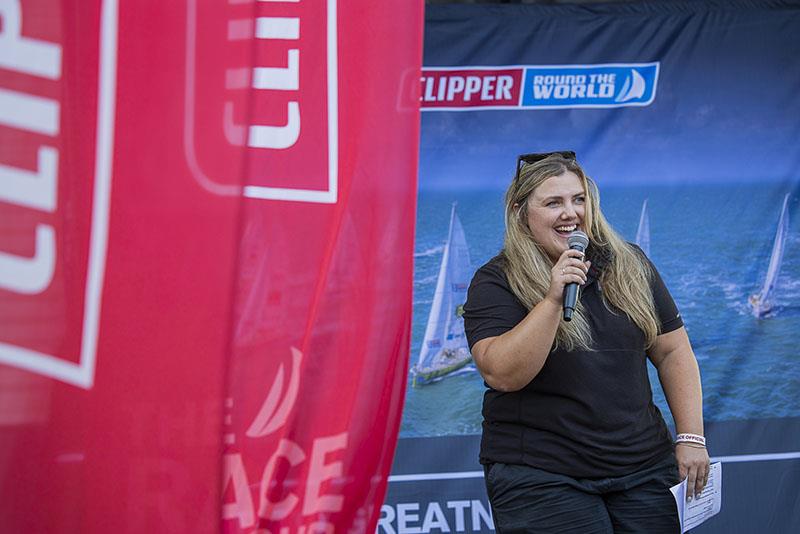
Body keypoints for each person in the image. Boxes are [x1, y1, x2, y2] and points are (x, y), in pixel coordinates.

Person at [463, 151, 709, 533]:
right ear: (520, 211)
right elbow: (502, 374)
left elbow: (673, 351)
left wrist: (692, 437)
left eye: (579, 200)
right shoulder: (496, 281)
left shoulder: (630, 264)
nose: (571, 213)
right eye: (553, 202)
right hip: (542, 474)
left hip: (642, 467)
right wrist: (551, 299)